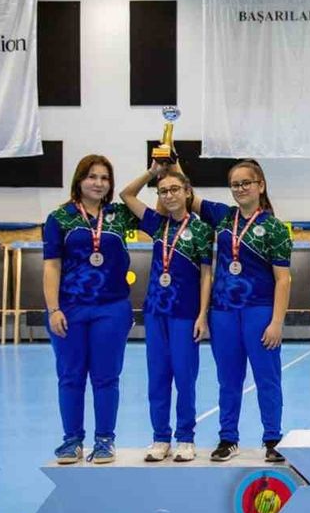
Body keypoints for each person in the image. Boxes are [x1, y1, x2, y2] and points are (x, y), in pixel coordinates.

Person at [187, 159, 292, 463]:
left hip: (259, 312)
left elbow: (283, 279)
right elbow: (186, 194)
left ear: (261, 185)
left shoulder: (275, 228)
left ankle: (272, 438)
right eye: (235, 184)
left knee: (267, 378)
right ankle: (228, 438)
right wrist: (170, 162)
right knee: (228, 380)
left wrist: (276, 321)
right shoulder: (222, 216)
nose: (240, 189)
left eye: (246, 182)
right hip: (223, 313)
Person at [43, 154, 137, 464]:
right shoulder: (60, 218)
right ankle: (72, 440)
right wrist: (54, 309)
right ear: (79, 180)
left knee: (106, 377)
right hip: (70, 309)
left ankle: (105, 440)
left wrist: (154, 171)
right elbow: (52, 266)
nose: (98, 183)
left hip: (112, 309)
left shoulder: (119, 215)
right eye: (92, 176)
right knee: (70, 377)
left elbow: (160, 213)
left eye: (105, 178)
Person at [120, 162, 213, 463]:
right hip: (156, 312)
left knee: (185, 378)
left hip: (185, 314)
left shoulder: (201, 229)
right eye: (163, 191)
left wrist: (202, 314)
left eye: (175, 189)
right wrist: (152, 173)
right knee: (158, 378)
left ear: (187, 192)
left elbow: (206, 275)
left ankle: (185, 438)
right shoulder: (156, 224)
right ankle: (160, 437)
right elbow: (126, 195)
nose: (169, 195)